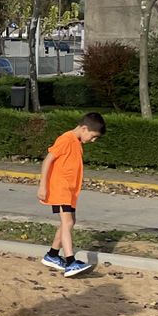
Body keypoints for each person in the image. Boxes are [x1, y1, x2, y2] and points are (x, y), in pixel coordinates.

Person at [37, 112, 106, 277]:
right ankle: (70, 261)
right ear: (84, 128)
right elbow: (48, 160)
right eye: (93, 136)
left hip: (68, 191)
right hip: (60, 189)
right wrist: (42, 186)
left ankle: (52, 255)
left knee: (69, 221)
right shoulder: (66, 139)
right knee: (67, 222)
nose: (93, 140)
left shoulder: (76, 142)